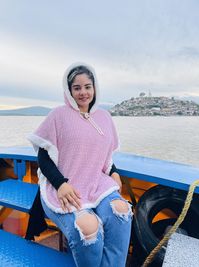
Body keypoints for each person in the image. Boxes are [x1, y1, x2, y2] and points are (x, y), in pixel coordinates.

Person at [28, 63, 132, 267]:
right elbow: (43, 157)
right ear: (69, 90)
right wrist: (61, 184)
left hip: (96, 182)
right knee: (87, 227)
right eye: (77, 88)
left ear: (95, 88)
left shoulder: (104, 117)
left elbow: (104, 154)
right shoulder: (58, 115)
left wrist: (114, 172)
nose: (83, 92)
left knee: (122, 212)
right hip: (64, 187)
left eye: (87, 86)